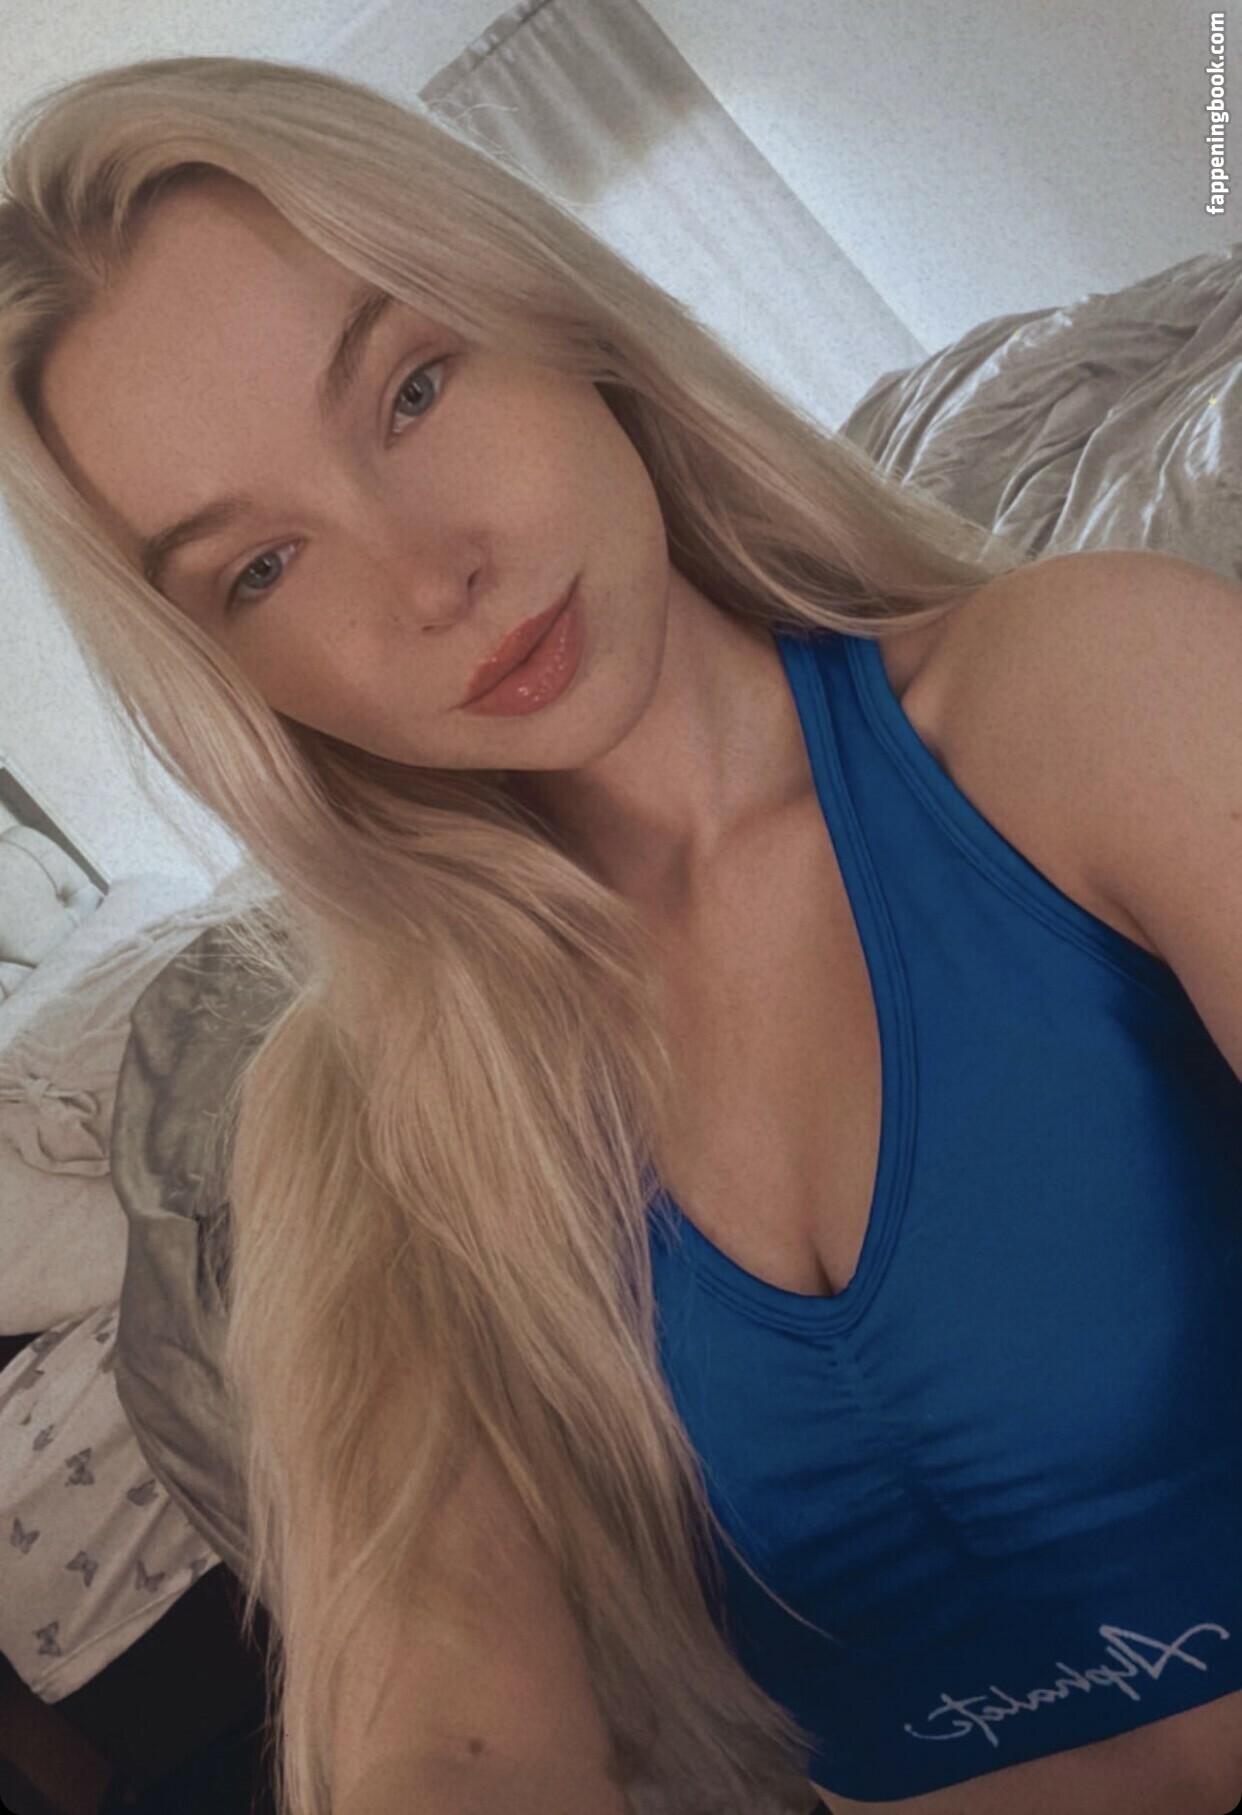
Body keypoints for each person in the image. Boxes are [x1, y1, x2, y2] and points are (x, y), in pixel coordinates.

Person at [0, 52, 1240, 1815]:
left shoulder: (1084, 689)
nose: (426, 577)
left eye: (411, 388)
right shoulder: (364, 1123)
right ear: (229, 681)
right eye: (259, 570)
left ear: (554, 319)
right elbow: (446, 1729)